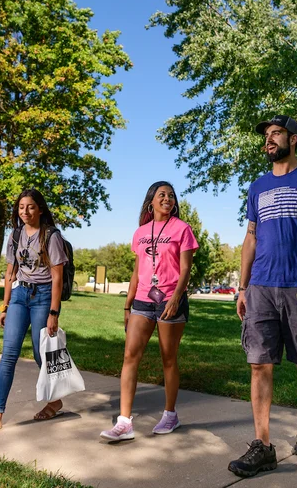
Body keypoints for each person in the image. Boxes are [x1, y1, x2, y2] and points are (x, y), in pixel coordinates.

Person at [228, 115, 297, 477]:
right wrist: (242, 287)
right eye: (266, 136)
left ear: (294, 138)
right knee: (259, 363)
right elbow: (251, 238)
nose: (268, 141)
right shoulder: (256, 187)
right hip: (260, 285)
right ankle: (263, 445)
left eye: (275, 134)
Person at [100, 181, 199, 442]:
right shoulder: (140, 232)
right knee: (130, 355)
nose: (167, 198)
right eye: (162, 195)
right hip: (143, 301)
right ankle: (124, 422)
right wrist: (127, 303)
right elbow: (138, 271)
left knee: (168, 358)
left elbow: (186, 268)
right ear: (151, 202)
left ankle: (170, 414)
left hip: (170, 301)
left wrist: (176, 298)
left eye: (171, 195)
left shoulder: (182, 229)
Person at [0, 189, 68, 434]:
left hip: (43, 297)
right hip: (19, 296)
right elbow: (10, 273)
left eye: (31, 207)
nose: (25, 212)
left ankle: (55, 400)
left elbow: (57, 278)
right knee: (8, 355)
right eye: (21, 207)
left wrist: (54, 313)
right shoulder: (14, 235)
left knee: (41, 355)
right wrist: (5, 306)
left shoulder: (51, 236)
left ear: (41, 209)